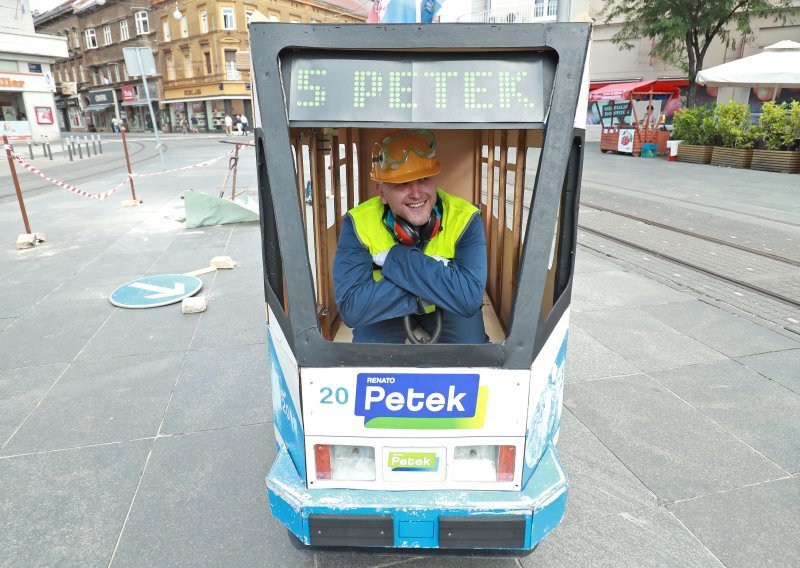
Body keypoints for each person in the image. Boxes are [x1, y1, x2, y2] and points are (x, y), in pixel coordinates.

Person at [333, 129, 488, 344]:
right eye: (402, 184)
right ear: (381, 192)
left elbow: (468, 298)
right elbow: (352, 308)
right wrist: (438, 277)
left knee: (474, 353)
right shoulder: (358, 223)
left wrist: (397, 259)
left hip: (423, 305)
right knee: (368, 356)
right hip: (387, 310)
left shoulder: (466, 218)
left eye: (424, 179)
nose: (416, 193)